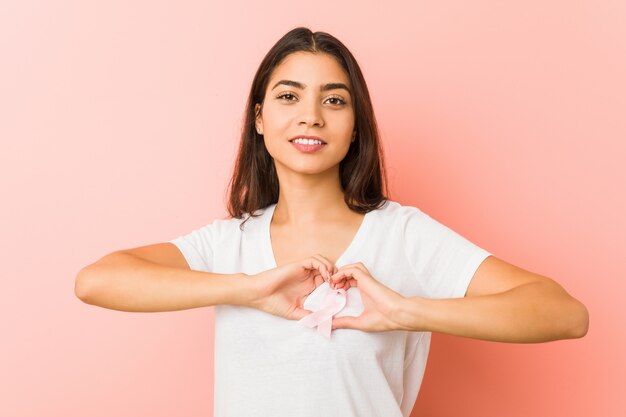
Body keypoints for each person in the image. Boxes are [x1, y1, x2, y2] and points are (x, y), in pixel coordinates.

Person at [75, 27, 589, 417]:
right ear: (259, 119)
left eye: (334, 100)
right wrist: (246, 289)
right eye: (288, 96)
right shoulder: (228, 243)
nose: (311, 116)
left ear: (355, 126)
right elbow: (96, 281)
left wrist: (408, 313)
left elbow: (563, 314)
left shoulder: (403, 234)